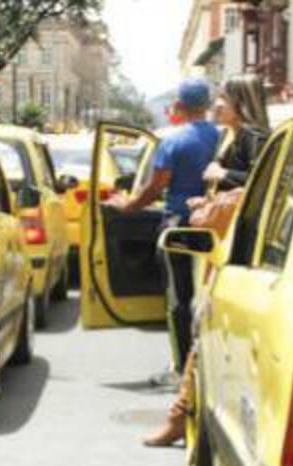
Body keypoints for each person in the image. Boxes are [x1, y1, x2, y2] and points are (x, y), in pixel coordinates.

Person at [143, 75, 272, 449]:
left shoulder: (253, 138)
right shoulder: (228, 136)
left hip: (237, 246)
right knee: (203, 326)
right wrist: (208, 200)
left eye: (223, 99)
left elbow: (261, 184)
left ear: (241, 103)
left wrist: (223, 175)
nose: (216, 105)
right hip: (224, 240)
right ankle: (186, 413)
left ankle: (181, 416)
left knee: (201, 326)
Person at [107, 77, 219, 388]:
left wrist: (129, 206)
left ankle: (183, 368)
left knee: (179, 300)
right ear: (207, 106)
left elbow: (155, 186)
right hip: (216, 226)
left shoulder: (173, 141)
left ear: (180, 107)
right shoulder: (222, 137)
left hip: (179, 227)